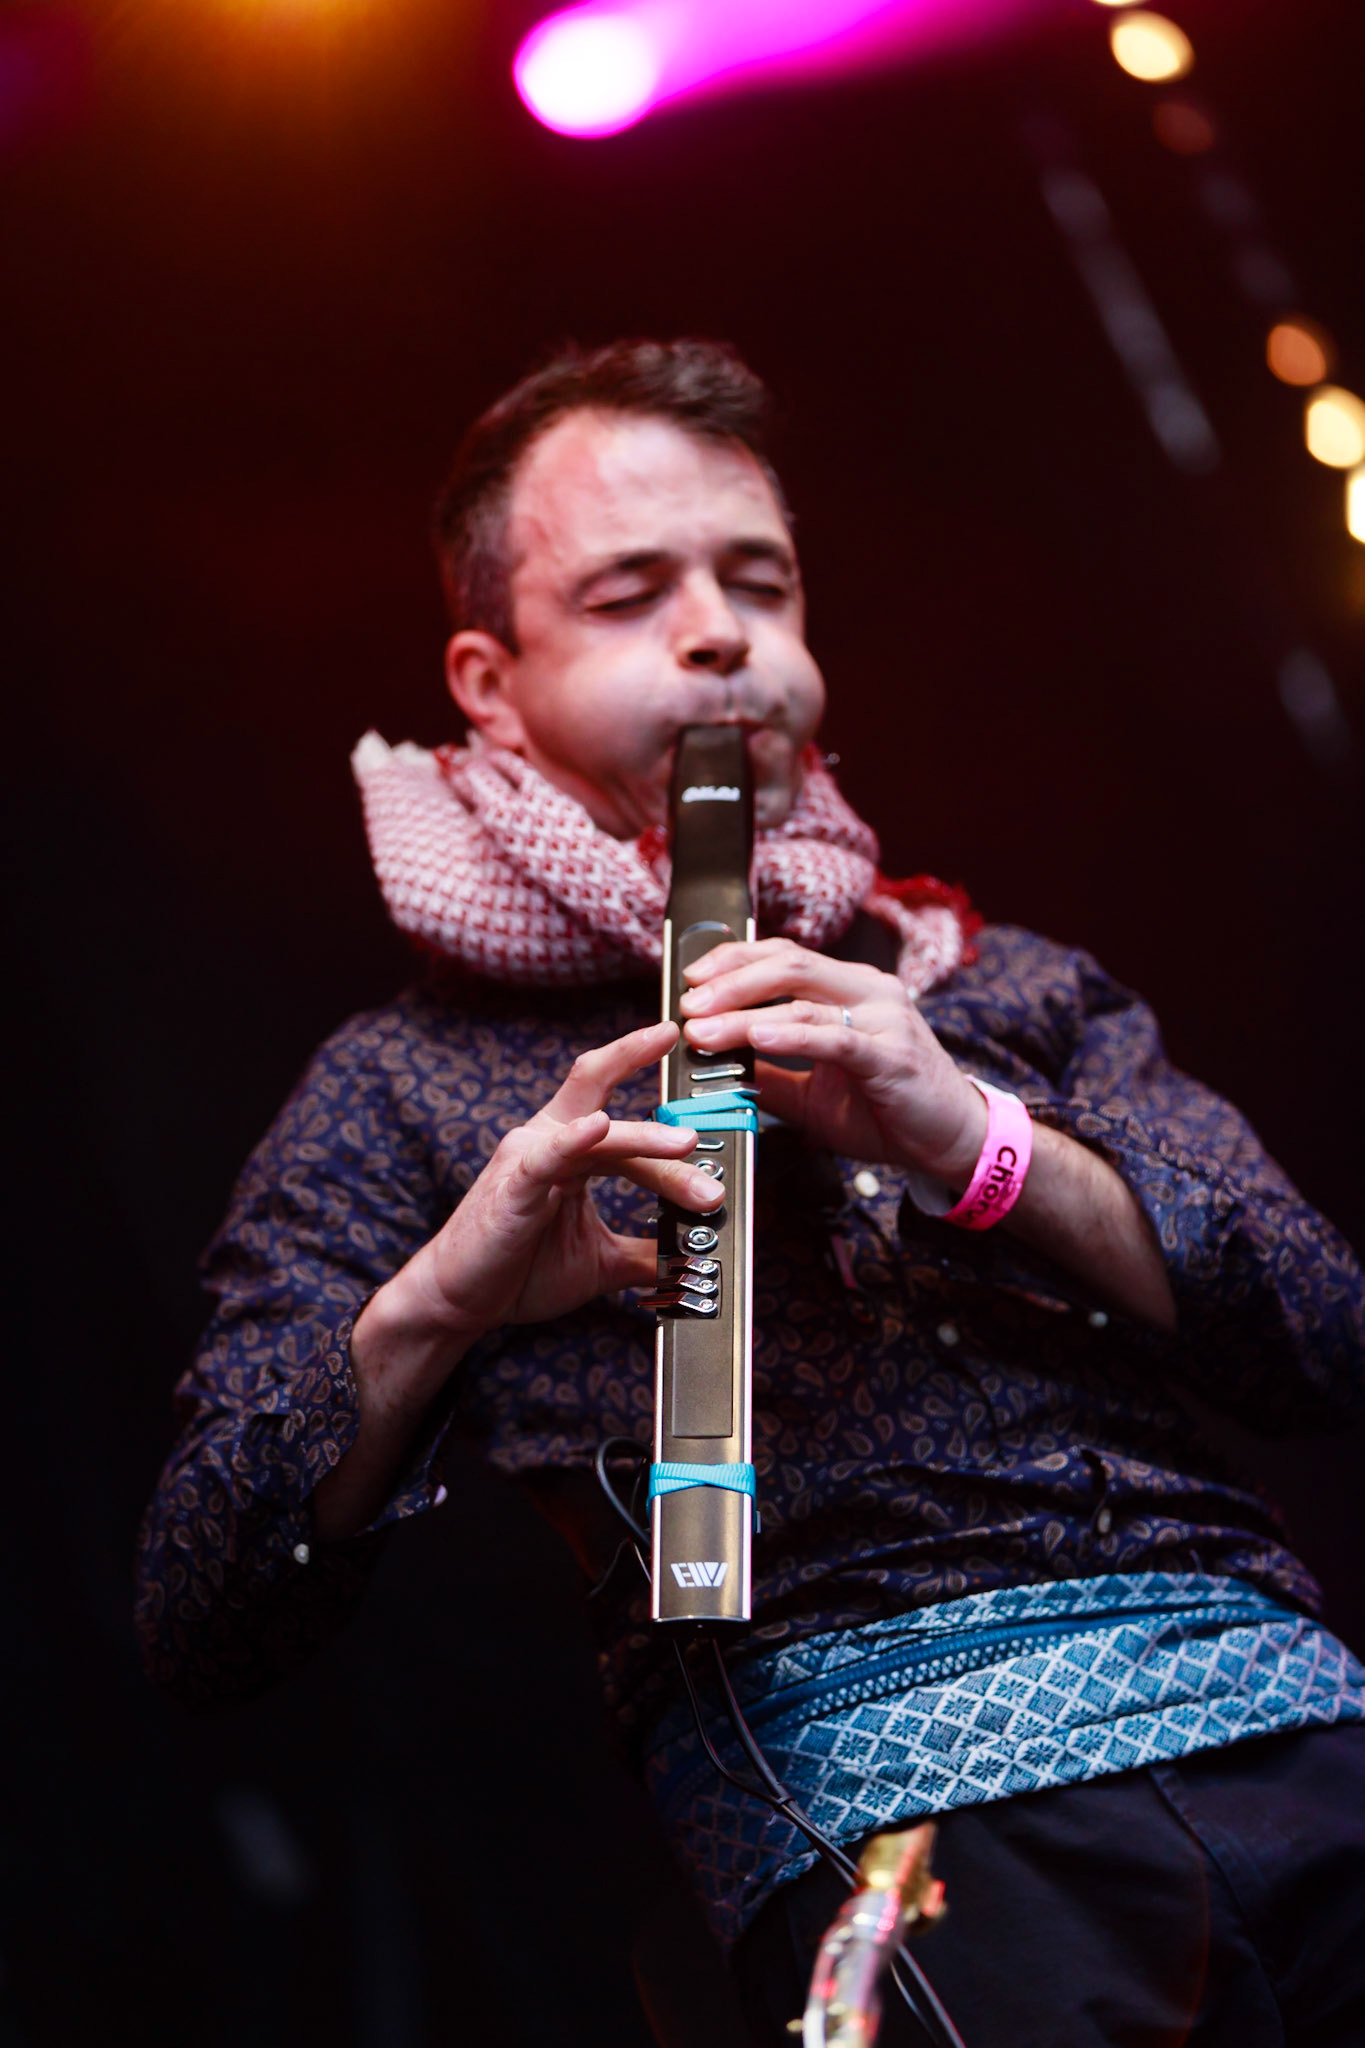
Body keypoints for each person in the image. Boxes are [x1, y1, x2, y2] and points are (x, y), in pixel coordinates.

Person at [137, 339, 1365, 2045]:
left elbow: (1327, 1336)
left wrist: (965, 1134)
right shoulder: (402, 1080)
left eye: (758, 583)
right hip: (888, 1850)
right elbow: (203, 1608)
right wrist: (446, 1294)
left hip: (1310, 1746)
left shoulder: (992, 985)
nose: (719, 631)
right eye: (633, 592)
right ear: (487, 684)